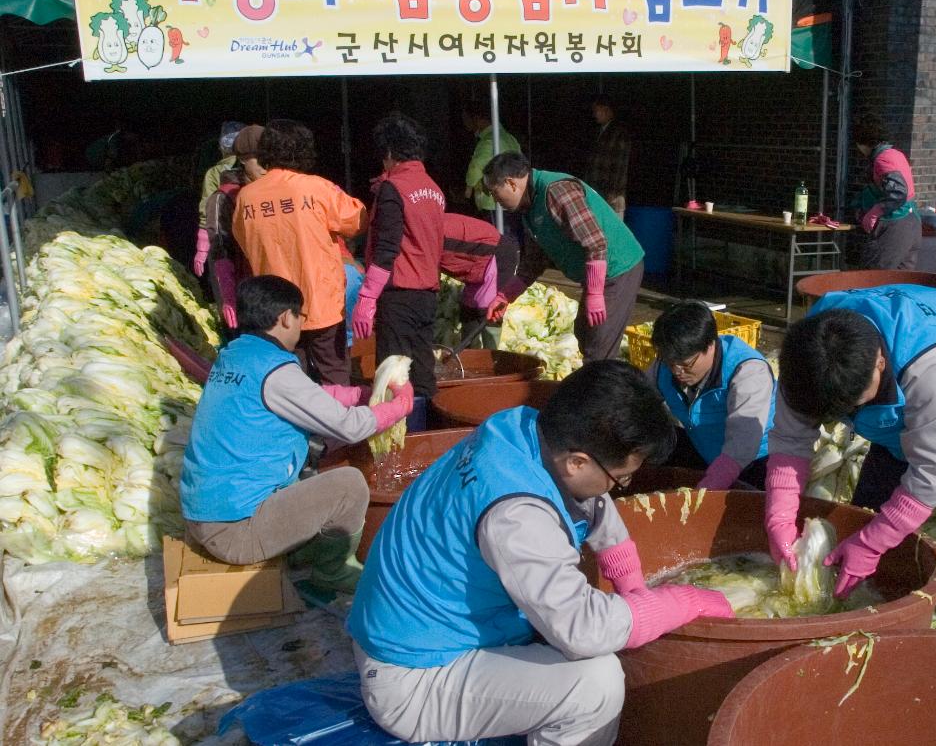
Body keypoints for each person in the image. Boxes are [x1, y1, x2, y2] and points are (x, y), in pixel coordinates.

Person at [346, 360, 732, 745]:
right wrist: (683, 601)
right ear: (577, 462)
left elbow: (589, 496)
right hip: (413, 679)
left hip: (416, 631)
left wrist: (629, 577)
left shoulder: (521, 430)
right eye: (623, 478)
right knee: (597, 686)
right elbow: (583, 629)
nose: (621, 487)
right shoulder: (516, 516)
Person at [763, 285, 936, 636]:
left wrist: (870, 544)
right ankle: (864, 626)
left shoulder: (929, 361)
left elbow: (932, 474)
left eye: (854, 403)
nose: (847, 414)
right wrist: (779, 518)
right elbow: (790, 440)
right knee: (863, 520)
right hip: (902, 427)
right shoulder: (809, 355)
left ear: (880, 361)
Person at [180, 275, 413, 592]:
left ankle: (299, 549)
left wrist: (360, 394)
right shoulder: (275, 371)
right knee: (348, 484)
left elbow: (306, 395)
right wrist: (400, 406)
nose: (302, 325)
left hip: (205, 516)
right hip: (234, 532)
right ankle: (332, 572)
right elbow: (350, 426)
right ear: (285, 317)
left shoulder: (237, 354)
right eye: (301, 316)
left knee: (312, 482)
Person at [232, 119, 366, 385]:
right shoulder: (317, 188)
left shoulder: (246, 197)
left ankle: (297, 426)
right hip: (321, 301)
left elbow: (243, 241)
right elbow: (357, 220)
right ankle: (335, 424)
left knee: (291, 377)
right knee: (334, 372)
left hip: (276, 307)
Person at [482, 152, 645, 362]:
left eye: (494, 192)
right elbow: (534, 261)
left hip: (618, 268)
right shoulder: (529, 207)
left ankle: (605, 391)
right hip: (596, 274)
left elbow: (595, 242)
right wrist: (505, 296)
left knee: (599, 346)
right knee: (585, 334)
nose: (495, 200)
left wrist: (595, 293)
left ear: (511, 183)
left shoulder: (557, 190)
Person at [350, 115, 447, 401]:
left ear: (390, 153)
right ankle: (428, 428)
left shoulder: (394, 189)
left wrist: (367, 298)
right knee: (422, 368)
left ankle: (396, 440)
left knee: (392, 375)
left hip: (399, 295)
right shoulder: (434, 189)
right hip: (427, 295)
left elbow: (386, 248)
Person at [647, 301, 776, 490]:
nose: (677, 371)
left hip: (756, 460)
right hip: (704, 448)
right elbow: (635, 397)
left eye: (686, 364)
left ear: (710, 346)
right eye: (669, 362)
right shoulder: (664, 366)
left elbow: (742, 443)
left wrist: (708, 489)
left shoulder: (747, 372)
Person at [205, 125, 265, 329]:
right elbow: (220, 250)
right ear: (242, 159)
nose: (265, 165)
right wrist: (228, 298)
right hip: (247, 293)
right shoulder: (223, 199)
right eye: (258, 158)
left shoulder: (281, 190)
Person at [851, 113, 920, 271]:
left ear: (862, 142)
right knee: (900, 282)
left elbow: (898, 192)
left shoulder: (882, 159)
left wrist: (874, 213)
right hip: (912, 223)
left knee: (872, 277)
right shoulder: (896, 154)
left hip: (895, 225)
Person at [440, 212, 520, 349]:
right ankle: (468, 358)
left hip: (497, 255)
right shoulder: (422, 227)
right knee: (469, 312)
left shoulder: (429, 230)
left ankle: (492, 359)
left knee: (488, 311)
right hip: (475, 266)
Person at [194, 121, 246, 277]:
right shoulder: (258, 167)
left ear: (221, 147)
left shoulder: (215, 172)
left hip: (224, 235)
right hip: (250, 231)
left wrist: (202, 246)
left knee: (228, 280)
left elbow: (207, 209)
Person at [462, 98, 522, 219]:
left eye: (466, 119)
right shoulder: (510, 138)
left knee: (495, 235)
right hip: (514, 198)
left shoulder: (488, 141)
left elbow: (475, 168)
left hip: (493, 203)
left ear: (478, 119)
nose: (464, 123)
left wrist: (468, 190)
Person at [583, 94, 631, 218]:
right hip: (597, 191)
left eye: (597, 110)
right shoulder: (599, 132)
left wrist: (613, 191)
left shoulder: (619, 133)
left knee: (613, 229)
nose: (595, 114)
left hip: (612, 195)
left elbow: (621, 165)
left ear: (607, 110)